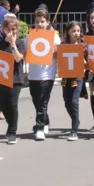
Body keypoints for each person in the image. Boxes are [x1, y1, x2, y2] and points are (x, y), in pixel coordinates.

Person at [27, 8, 61, 141]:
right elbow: (26, 54)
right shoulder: (30, 36)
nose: (40, 24)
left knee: (42, 101)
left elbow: (59, 55)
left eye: (42, 21)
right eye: (37, 22)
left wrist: (54, 51)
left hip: (47, 74)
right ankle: (45, 121)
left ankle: (39, 127)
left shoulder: (54, 36)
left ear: (47, 22)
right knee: (37, 101)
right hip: (32, 74)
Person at [0, 15, 26, 144]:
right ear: (3, 29)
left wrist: (12, 43)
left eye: (13, 29)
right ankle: (10, 124)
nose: (11, 32)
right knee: (3, 104)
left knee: (12, 104)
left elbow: (18, 58)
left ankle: (12, 131)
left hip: (16, 78)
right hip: (2, 77)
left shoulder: (20, 42)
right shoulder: (0, 43)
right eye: (8, 30)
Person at [61, 21, 85, 141]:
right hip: (66, 77)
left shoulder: (82, 46)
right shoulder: (63, 45)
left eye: (78, 31)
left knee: (74, 102)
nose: (76, 33)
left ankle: (74, 130)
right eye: (74, 31)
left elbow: (88, 62)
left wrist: (86, 62)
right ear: (68, 32)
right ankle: (76, 120)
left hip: (78, 77)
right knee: (67, 102)